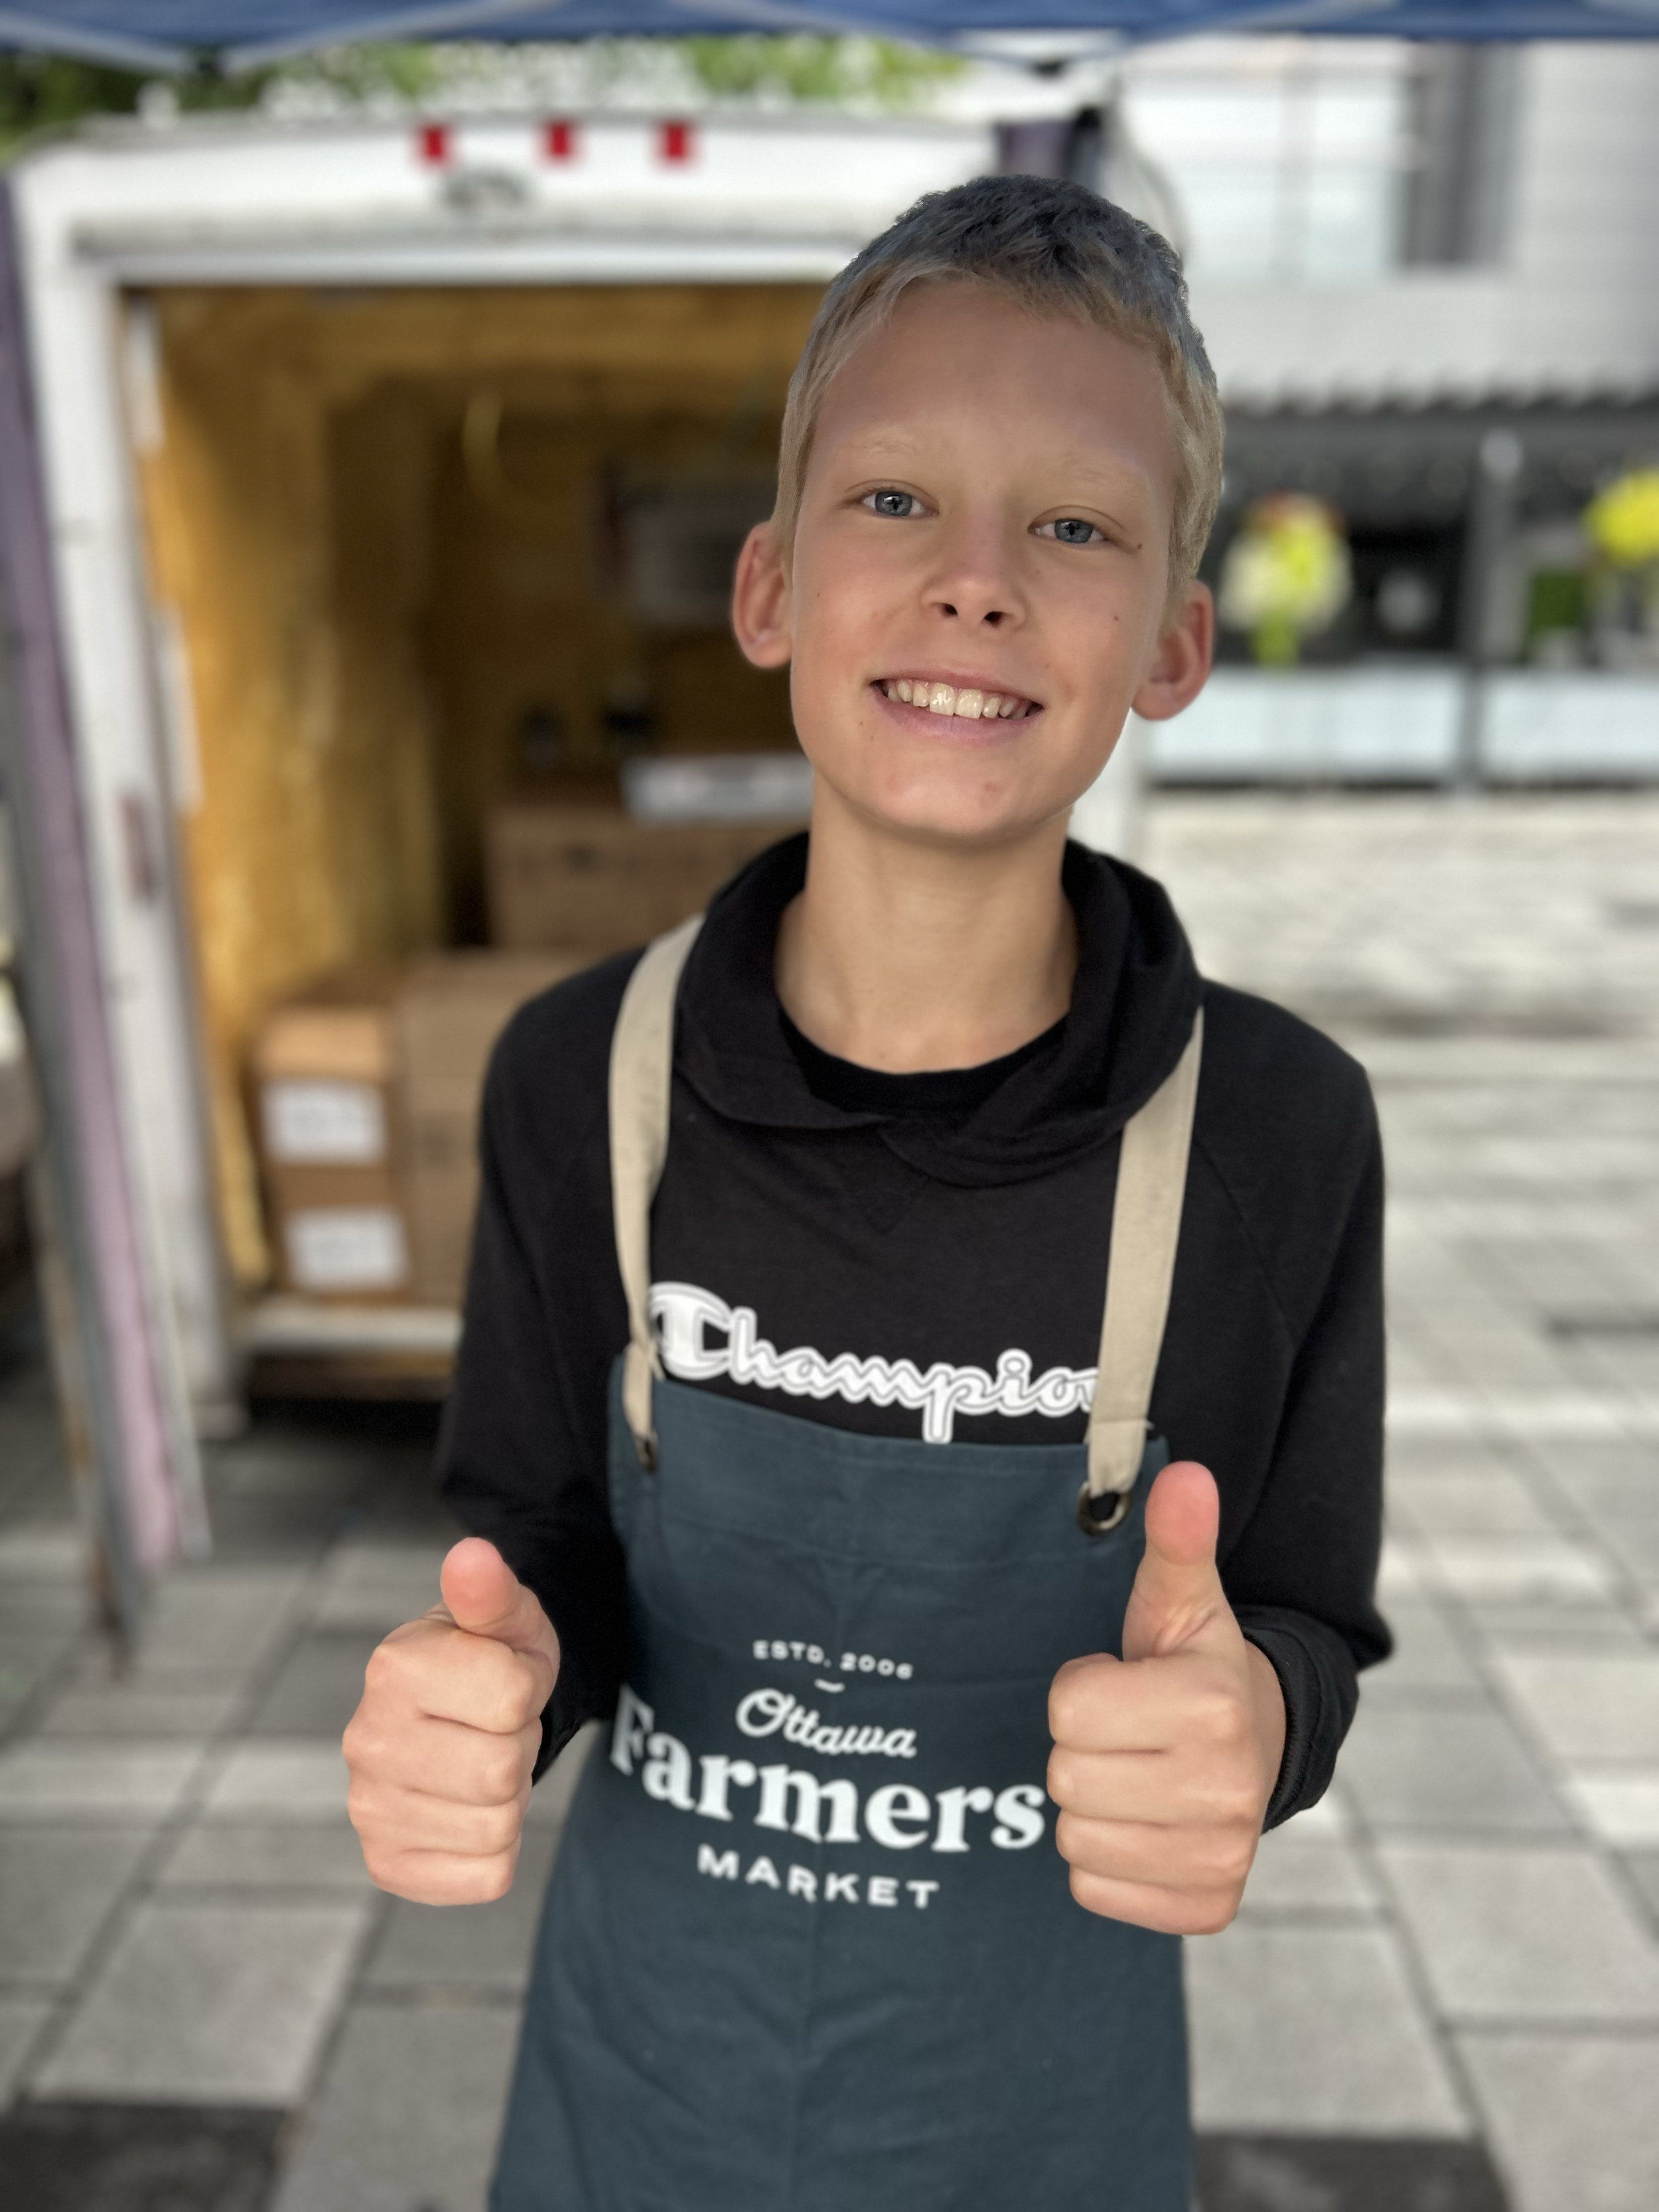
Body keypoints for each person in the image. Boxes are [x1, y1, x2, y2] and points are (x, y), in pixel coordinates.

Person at [342, 174, 1388, 2211]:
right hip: (643, 2088)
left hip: (1033, 2124)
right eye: (893, 499)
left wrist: (1258, 1722)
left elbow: (1300, 1614)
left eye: (1074, 525)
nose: (975, 583)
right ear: (765, 592)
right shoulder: (583, 1077)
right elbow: (537, 1525)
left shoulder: (1272, 1129)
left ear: (1174, 638)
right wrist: (496, 1677)